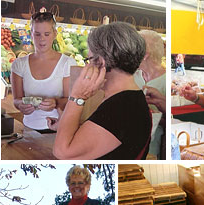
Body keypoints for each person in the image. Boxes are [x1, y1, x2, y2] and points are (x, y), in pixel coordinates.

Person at [52, 22, 152, 160]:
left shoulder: (120, 107)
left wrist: (76, 97)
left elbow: (62, 152)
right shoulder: (130, 98)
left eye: (90, 59)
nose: (88, 65)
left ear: (101, 61)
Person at [11, 11, 76, 131]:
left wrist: (55, 102)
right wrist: (20, 105)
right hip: (28, 129)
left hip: (58, 129)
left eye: (47, 34)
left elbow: (72, 100)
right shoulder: (19, 64)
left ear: (55, 34)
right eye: (37, 34)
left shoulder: (67, 63)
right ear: (31, 34)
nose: (42, 39)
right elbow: (16, 99)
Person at [135, 30, 166, 159]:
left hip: (151, 149)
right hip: (127, 144)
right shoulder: (131, 75)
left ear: (145, 55)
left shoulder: (166, 81)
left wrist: (154, 116)